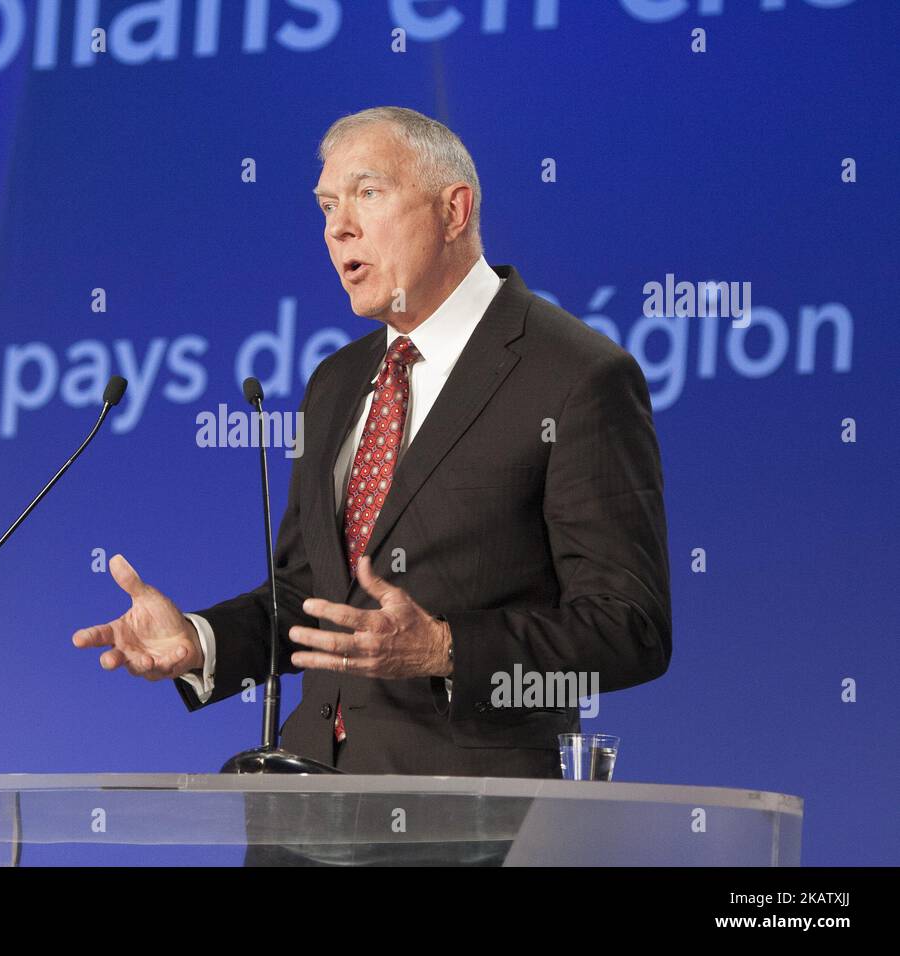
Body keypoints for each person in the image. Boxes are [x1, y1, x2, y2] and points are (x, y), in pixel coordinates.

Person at [72, 106, 671, 782]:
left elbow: (630, 630)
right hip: (304, 808)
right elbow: (310, 599)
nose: (337, 227)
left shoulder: (575, 376)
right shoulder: (339, 380)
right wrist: (201, 641)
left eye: (367, 193)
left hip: (470, 817)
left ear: (454, 209)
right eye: (327, 205)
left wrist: (447, 649)